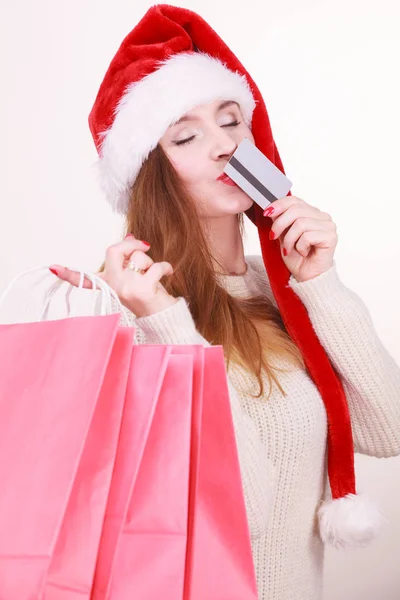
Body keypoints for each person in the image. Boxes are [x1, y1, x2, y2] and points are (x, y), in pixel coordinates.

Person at [49, 5, 400, 599]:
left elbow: (386, 431)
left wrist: (321, 283)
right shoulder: (133, 314)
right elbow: (243, 510)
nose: (224, 147)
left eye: (232, 121)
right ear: (151, 173)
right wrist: (167, 325)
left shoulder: (281, 284)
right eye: (186, 135)